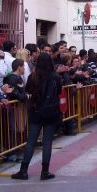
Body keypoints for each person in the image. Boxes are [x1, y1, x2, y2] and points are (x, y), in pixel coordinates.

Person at [11, 52, 62, 180]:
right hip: (51, 112)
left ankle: (23, 170)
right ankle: (45, 171)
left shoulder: (32, 77)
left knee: (31, 141)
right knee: (47, 142)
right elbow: (59, 92)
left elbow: (28, 92)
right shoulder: (56, 77)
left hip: (36, 112)